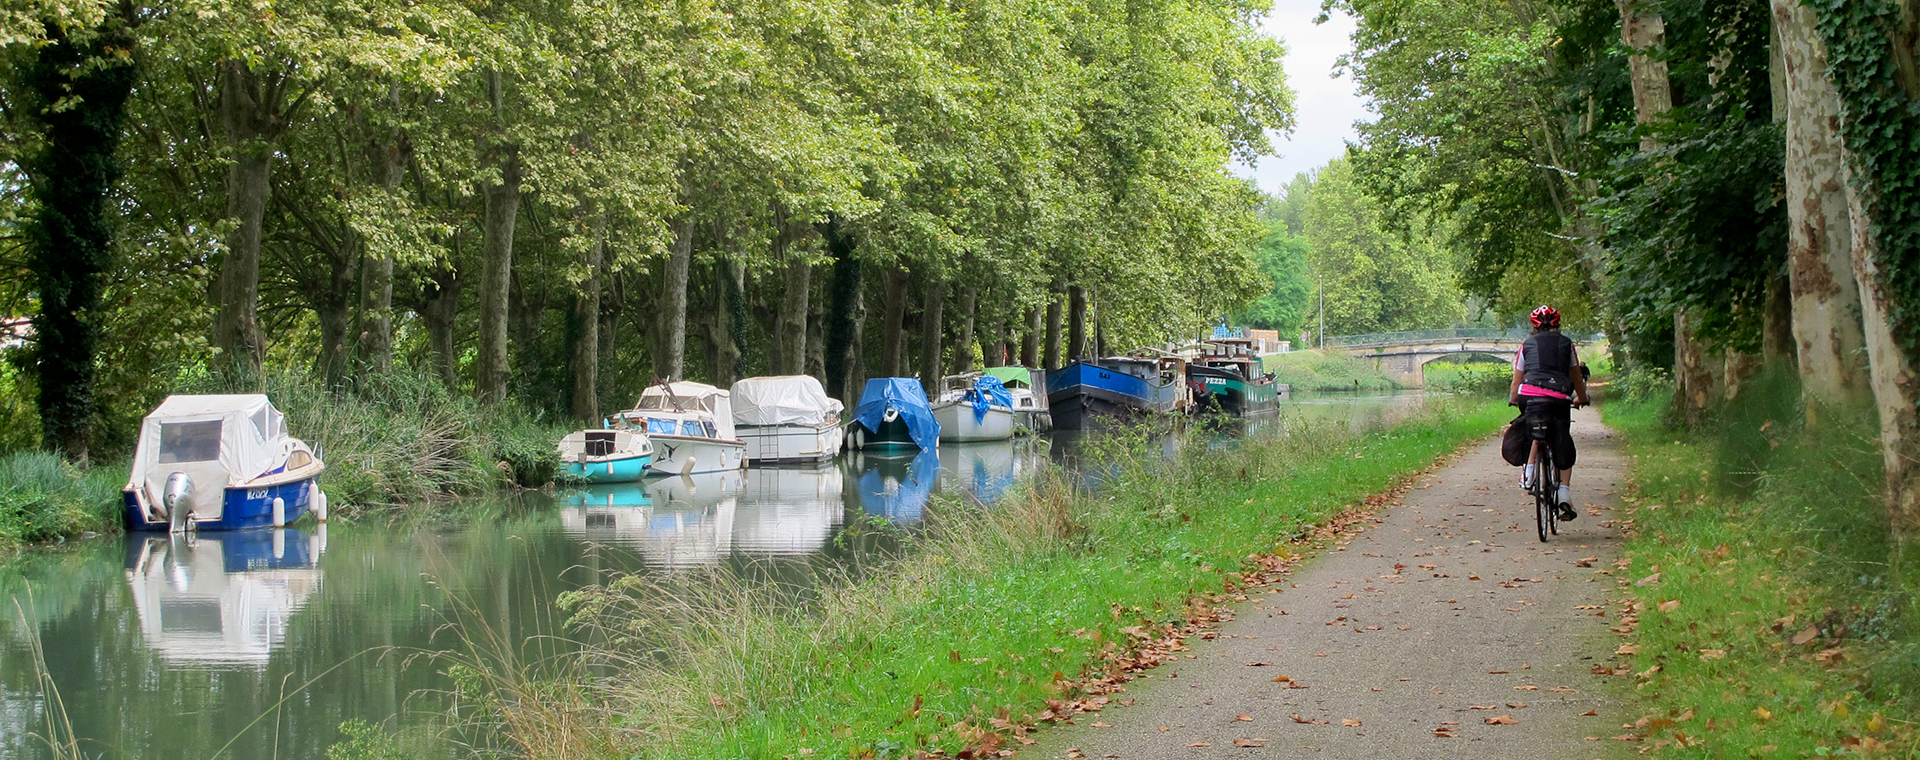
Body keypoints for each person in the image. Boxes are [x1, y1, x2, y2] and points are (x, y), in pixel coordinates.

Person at [1508, 305, 1589, 520]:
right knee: (1561, 433)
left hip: (1529, 394)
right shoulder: (1566, 344)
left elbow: (1517, 380)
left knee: (1534, 424)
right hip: (1559, 396)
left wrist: (1514, 399)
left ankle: (1528, 472)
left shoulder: (1526, 346)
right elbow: (1576, 377)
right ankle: (1564, 492)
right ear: (1557, 324)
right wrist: (1582, 397)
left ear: (1533, 326)